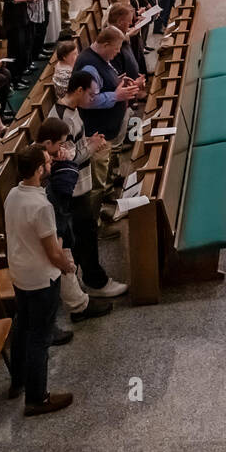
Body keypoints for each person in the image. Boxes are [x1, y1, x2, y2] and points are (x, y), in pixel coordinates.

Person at [3, 142, 74, 415]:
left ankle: (18, 381)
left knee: (22, 326)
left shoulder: (12, 194)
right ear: (37, 170)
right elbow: (52, 252)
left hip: (20, 273)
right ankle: (36, 398)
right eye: (46, 162)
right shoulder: (41, 205)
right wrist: (67, 266)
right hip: (42, 278)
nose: (50, 165)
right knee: (39, 337)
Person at [55, 70, 128, 300]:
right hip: (73, 189)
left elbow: (75, 146)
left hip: (81, 185)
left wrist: (89, 142)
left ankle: (85, 278)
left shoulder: (73, 111)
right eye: (91, 94)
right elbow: (68, 158)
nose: (93, 98)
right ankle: (96, 282)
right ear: (79, 90)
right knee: (86, 235)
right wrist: (92, 146)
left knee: (84, 235)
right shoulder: (61, 119)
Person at [36, 117, 113, 325]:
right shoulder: (39, 165)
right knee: (65, 261)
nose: (63, 148)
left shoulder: (45, 157)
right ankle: (78, 307)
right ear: (47, 144)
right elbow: (64, 189)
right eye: (60, 144)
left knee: (68, 255)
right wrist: (66, 163)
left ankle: (79, 299)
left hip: (53, 220)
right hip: (48, 222)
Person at [74, 28, 144, 192]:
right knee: (100, 176)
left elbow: (100, 86)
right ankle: (103, 204)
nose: (118, 52)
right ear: (106, 45)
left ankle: (111, 185)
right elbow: (86, 101)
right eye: (116, 48)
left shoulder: (100, 58)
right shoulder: (89, 66)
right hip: (98, 130)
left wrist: (118, 83)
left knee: (110, 161)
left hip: (110, 126)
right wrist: (116, 95)